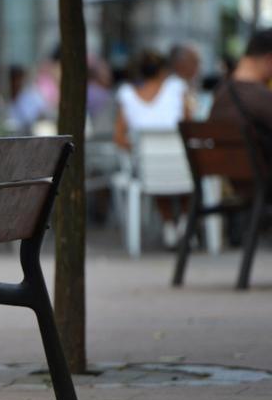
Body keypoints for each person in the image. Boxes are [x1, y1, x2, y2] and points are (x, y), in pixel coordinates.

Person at [114, 49, 192, 247]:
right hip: (183, 167)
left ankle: (169, 227)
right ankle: (183, 224)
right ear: (163, 71)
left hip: (148, 170)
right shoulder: (176, 88)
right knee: (183, 168)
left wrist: (139, 148)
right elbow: (190, 126)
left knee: (155, 168)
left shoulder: (127, 96)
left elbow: (119, 138)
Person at [207, 28, 272, 157]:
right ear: (269, 59)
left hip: (228, 174)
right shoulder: (261, 98)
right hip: (262, 175)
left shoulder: (220, 93)